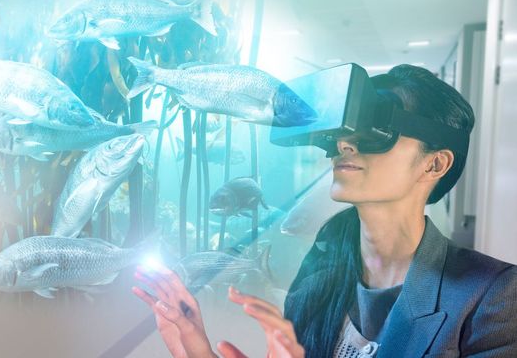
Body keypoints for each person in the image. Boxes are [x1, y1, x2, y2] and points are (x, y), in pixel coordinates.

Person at [132, 64, 517, 357]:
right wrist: (200, 349)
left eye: (375, 128)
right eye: (345, 128)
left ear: (434, 165)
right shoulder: (326, 259)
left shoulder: (493, 295)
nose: (346, 143)